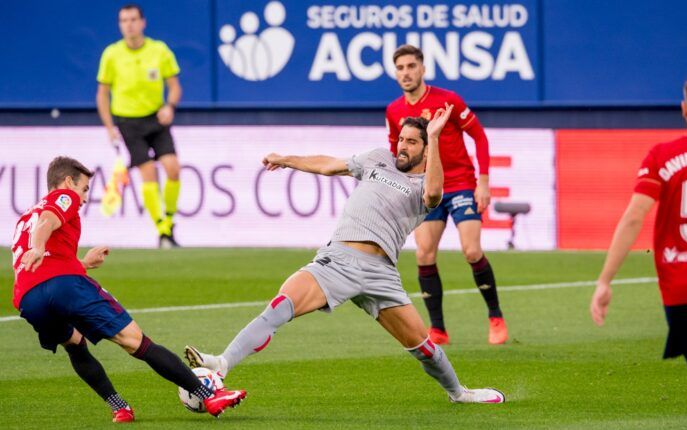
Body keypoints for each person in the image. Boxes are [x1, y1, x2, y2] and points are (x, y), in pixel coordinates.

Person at [185, 106, 505, 404]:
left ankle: (459, 393)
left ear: (424, 148)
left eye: (411, 142)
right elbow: (329, 165)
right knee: (282, 304)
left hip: (381, 272)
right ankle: (222, 364)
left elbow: (435, 194)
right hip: (338, 260)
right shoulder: (378, 158)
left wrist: (434, 137)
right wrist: (286, 159)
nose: (402, 147)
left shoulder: (425, 183)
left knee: (422, 346)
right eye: (401, 140)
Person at [10, 157, 246, 422]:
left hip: (29, 298)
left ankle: (119, 407)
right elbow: (47, 222)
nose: (85, 197)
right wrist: (39, 247)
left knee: (75, 345)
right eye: (85, 188)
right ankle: (207, 394)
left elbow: (44, 260)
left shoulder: (24, 217)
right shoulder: (64, 197)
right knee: (137, 342)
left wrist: (83, 263)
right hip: (66, 286)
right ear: (67, 182)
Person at [590, 72, 687, 430]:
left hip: (679, 292)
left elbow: (633, 217)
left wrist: (605, 280)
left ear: (684, 108)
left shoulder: (662, 156)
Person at [385, 44, 507, 345]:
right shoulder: (394, 110)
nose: (406, 73)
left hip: (461, 183)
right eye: (400, 68)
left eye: (411, 66)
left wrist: (484, 181)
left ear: (423, 69)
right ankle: (438, 329)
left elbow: (479, 136)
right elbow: (397, 152)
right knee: (424, 254)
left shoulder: (447, 100)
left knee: (471, 251)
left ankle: (495, 316)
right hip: (427, 190)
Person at [96, 3, 182, 248]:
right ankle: (163, 231)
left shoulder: (159, 50)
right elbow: (102, 94)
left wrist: (170, 106)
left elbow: (175, 86)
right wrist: (109, 126)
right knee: (148, 172)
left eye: (133, 19)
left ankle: (168, 222)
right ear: (120, 25)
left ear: (142, 22)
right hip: (127, 121)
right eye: (124, 20)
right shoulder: (111, 54)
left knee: (173, 168)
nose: (129, 25)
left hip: (156, 117)